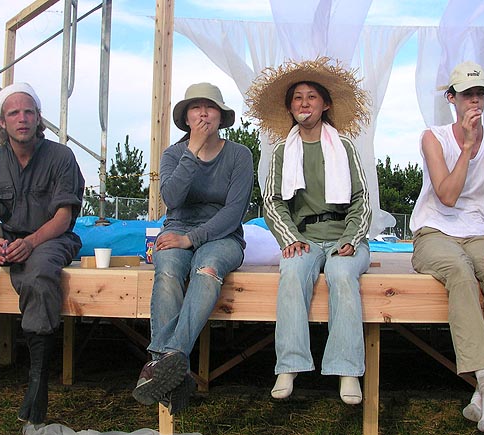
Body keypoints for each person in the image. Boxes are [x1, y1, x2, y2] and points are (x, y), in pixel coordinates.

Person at [0, 83, 85, 428]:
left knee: (38, 275)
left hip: (51, 237)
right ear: (2, 123)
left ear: (38, 119)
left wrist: (32, 241)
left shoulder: (61, 157)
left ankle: (38, 383)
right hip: (6, 237)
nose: (22, 119)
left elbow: (63, 216)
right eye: (13, 113)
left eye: (28, 112)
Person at [246, 57, 372, 405]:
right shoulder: (282, 152)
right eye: (297, 97)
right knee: (292, 272)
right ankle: (290, 364)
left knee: (343, 274)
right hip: (303, 238)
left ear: (325, 105)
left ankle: (347, 370)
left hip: (344, 237)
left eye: (312, 97)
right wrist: (290, 239)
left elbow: (361, 199)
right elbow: (272, 201)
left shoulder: (343, 147)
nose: (304, 102)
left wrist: (350, 239)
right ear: (290, 107)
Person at [409, 61, 484, 433]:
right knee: (458, 270)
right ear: (452, 98)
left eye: (480, 93)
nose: (475, 100)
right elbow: (446, 194)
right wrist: (468, 148)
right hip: (433, 230)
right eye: (467, 94)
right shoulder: (433, 137)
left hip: (479, 231)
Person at [132, 83, 254, 415]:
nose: (203, 113)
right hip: (176, 229)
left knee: (207, 268)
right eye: (196, 108)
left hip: (223, 234)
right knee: (168, 267)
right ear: (186, 117)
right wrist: (193, 150)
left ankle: (161, 360)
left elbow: (235, 211)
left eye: (210, 107)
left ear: (221, 116)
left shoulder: (239, 154)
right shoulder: (174, 154)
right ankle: (176, 369)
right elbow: (171, 198)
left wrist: (193, 239)